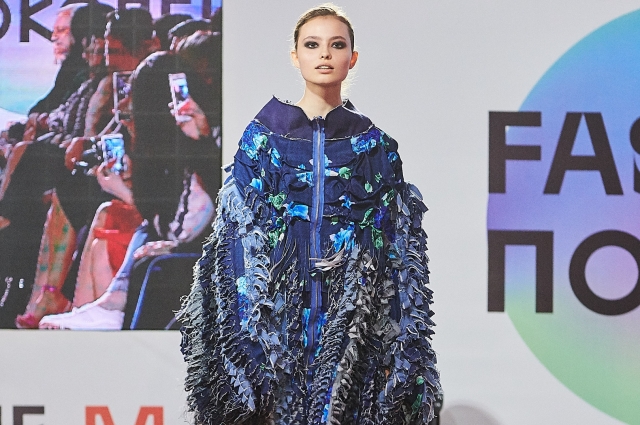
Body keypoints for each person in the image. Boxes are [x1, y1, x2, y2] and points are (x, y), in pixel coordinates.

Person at [178, 4, 440, 425]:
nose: (325, 55)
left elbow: (398, 257)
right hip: (276, 337)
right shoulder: (262, 140)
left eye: (337, 45)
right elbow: (236, 244)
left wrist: (393, 348)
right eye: (312, 45)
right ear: (295, 55)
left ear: (352, 57)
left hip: (353, 340)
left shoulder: (374, 147)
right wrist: (250, 340)